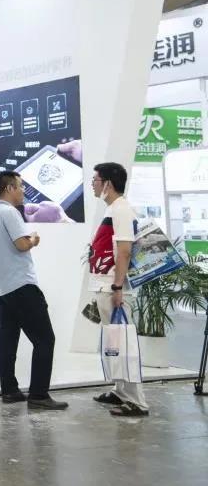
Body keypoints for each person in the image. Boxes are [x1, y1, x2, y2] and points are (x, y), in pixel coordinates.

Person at [0, 172, 67, 411]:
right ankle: (39, 394)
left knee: (8, 338)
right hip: (21, 285)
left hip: (2, 288)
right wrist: (33, 240)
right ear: (9, 188)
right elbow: (21, 245)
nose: (23, 191)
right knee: (45, 339)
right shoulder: (10, 213)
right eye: (20, 186)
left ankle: (9, 390)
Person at [89, 162, 149, 417]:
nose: (93, 184)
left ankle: (137, 402)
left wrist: (117, 287)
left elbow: (124, 251)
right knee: (115, 343)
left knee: (124, 345)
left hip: (114, 287)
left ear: (108, 184)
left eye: (96, 180)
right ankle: (121, 391)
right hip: (105, 285)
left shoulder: (122, 210)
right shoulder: (113, 209)